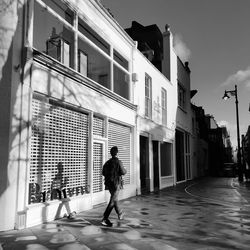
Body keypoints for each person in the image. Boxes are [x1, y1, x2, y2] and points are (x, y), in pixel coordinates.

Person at [101, 146, 127, 227]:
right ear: (117, 153)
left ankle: (120, 213)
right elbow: (123, 172)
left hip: (109, 184)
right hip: (116, 184)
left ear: (111, 153)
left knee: (114, 199)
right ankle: (105, 218)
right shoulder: (118, 162)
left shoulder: (107, 162)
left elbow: (103, 172)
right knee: (112, 201)